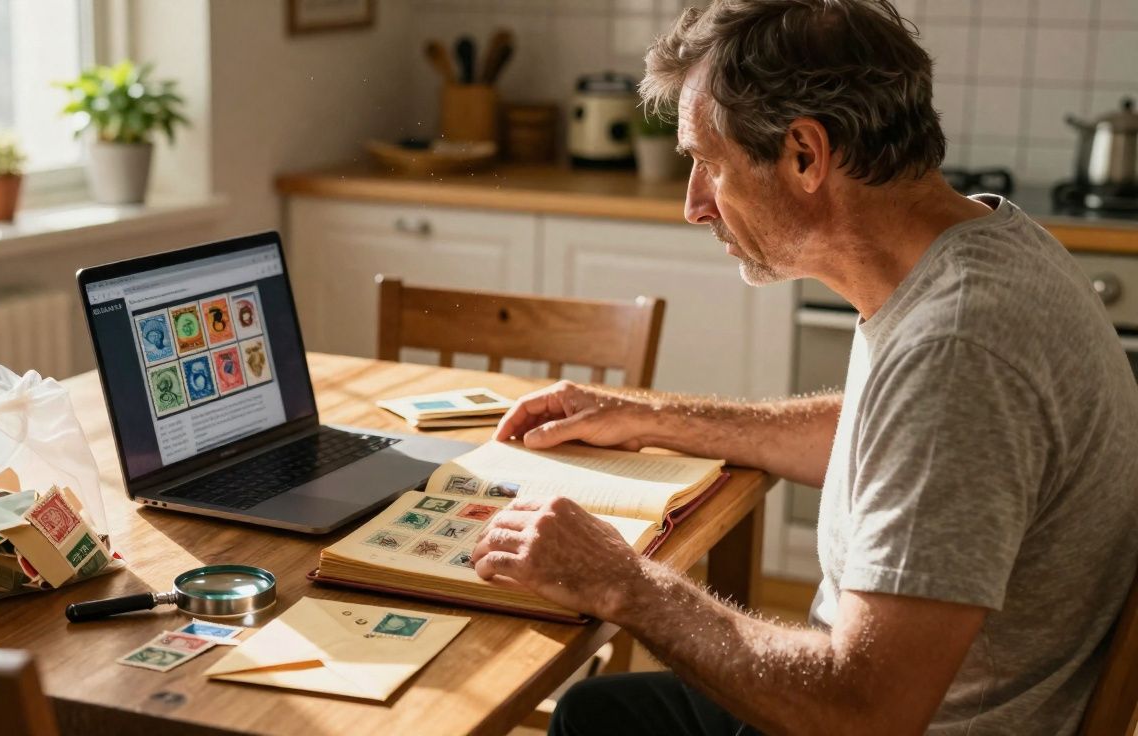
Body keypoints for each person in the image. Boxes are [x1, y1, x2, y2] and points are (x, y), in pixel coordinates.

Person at [470, 2, 1138, 734]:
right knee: (598, 713)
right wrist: (650, 417)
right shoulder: (981, 246)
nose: (694, 205)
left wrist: (622, 582)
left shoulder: (957, 349)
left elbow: (866, 714)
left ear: (805, 155)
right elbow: (896, 446)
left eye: (707, 163)